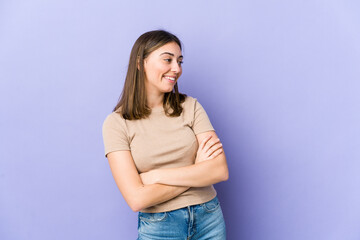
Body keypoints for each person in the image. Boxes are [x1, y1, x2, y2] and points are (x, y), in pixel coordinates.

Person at [102, 30, 229, 239]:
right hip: (160, 227)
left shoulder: (191, 107)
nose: (176, 69)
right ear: (139, 63)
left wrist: (155, 177)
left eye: (179, 61)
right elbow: (137, 199)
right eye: (167, 60)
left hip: (209, 219)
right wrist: (197, 171)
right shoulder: (116, 124)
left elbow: (219, 170)